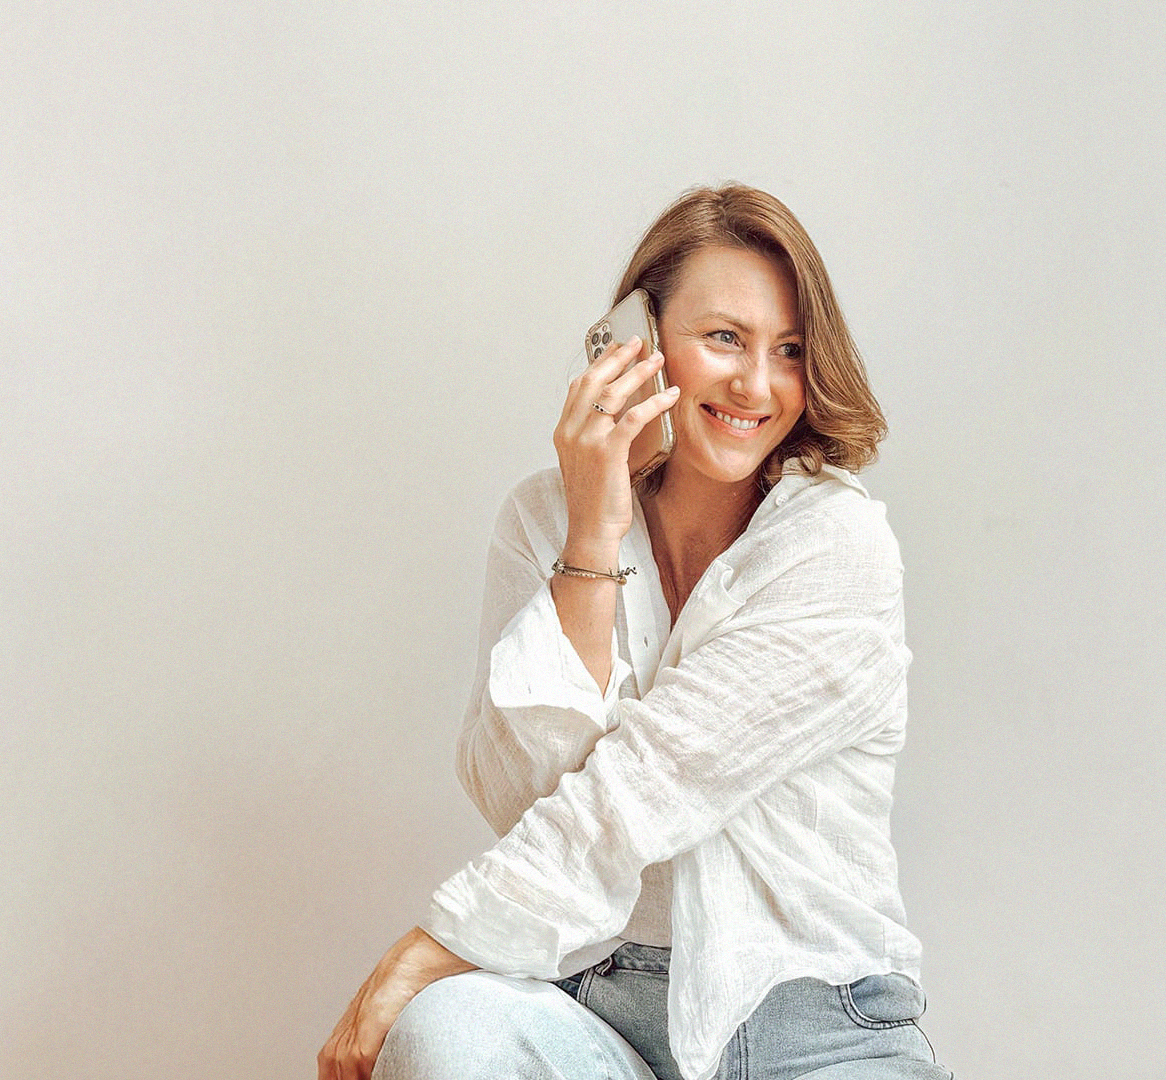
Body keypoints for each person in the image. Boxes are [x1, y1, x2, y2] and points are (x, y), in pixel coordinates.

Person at [318, 184, 950, 1080]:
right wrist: (591, 537)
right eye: (724, 338)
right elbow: (519, 796)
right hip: (597, 1008)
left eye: (790, 350)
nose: (756, 384)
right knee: (447, 1034)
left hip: (816, 1027)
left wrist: (428, 948)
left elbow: (648, 786)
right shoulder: (544, 518)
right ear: (638, 341)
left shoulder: (835, 544)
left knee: (431, 989)